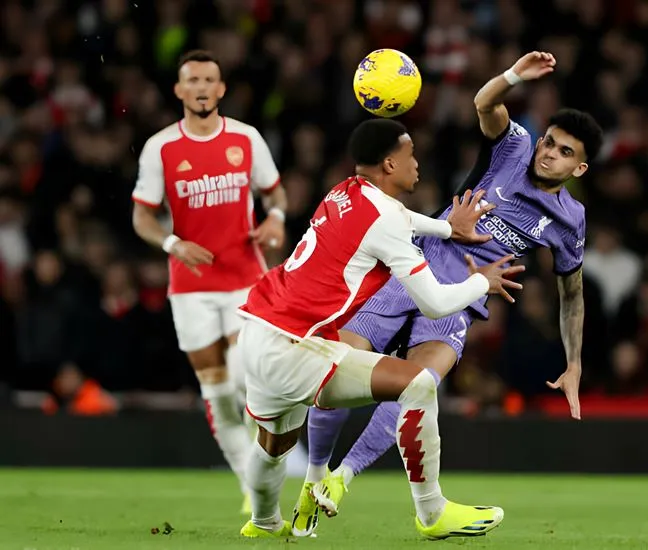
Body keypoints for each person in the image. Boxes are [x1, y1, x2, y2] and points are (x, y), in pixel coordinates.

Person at [296, 51, 604, 534]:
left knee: (418, 384)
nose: (550, 153)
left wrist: (574, 363)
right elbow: (485, 105)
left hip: (459, 301)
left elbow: (572, 293)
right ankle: (311, 480)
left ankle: (338, 479)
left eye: (566, 152)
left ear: (580, 169)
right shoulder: (515, 147)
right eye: (551, 142)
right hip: (413, 270)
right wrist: (513, 77)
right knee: (335, 372)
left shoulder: (571, 221)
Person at [236, 118, 524, 539]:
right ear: (390, 163)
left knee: (274, 443)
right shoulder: (385, 222)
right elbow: (435, 302)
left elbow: (399, 216)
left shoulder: (344, 191)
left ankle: (262, 524)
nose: (417, 163)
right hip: (295, 348)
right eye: (410, 154)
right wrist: (484, 281)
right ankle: (433, 512)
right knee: (419, 384)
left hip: (259, 331)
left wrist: (447, 228)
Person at [131, 50, 288, 513]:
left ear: (221, 89)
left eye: (209, 79)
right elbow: (142, 215)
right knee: (217, 395)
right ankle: (251, 486)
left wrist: (276, 216)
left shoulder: (247, 138)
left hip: (244, 279)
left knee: (247, 378)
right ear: (179, 91)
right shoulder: (160, 147)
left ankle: (274, 461)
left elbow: (274, 190)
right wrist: (171, 244)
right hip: (191, 287)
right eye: (192, 80)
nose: (201, 87)